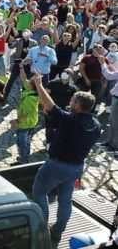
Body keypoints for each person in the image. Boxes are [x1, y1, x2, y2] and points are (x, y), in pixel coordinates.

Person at [30, 70, 101, 244]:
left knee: (39, 194)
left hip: (57, 166)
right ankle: (58, 231)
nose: (69, 102)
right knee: (65, 200)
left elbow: (50, 107)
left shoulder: (71, 120)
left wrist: (39, 85)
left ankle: (42, 228)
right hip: (76, 168)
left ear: (77, 105)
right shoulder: (96, 125)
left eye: (72, 101)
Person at [12, 64, 40, 165]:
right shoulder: (30, 90)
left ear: (32, 86)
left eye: (30, 82)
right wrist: (21, 67)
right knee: (26, 142)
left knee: (22, 143)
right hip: (30, 122)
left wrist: (17, 122)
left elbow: (24, 113)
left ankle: (23, 161)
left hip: (25, 123)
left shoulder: (31, 98)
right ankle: (23, 158)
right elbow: (24, 78)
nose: (27, 82)